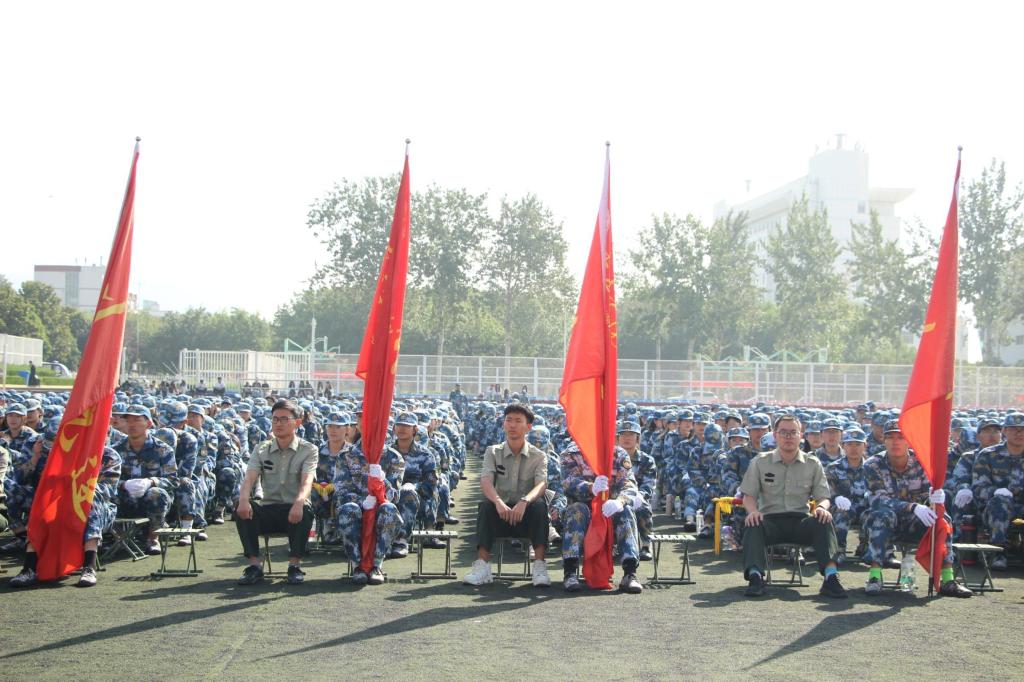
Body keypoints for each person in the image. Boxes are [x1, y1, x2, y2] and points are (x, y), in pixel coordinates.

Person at [738, 414, 847, 598]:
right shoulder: (760, 462)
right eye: (783, 432)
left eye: (793, 432)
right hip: (770, 521)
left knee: (824, 520)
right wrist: (753, 511)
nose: (788, 437)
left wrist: (821, 508)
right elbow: (748, 496)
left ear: (800, 435)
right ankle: (755, 577)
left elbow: (823, 497)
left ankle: (831, 577)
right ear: (775, 435)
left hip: (800, 522)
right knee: (752, 522)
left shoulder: (812, 463)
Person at [861, 420, 972, 597]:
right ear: (884, 440)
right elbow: (879, 500)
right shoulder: (873, 465)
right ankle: (874, 577)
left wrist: (935, 497)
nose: (895, 442)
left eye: (900, 437)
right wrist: (912, 507)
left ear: (909, 441)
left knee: (943, 519)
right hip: (885, 522)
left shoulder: (921, 462)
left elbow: (928, 492)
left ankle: (948, 580)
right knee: (882, 514)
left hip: (916, 521)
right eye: (890, 437)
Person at [463, 403, 550, 587]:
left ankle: (539, 566)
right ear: (503, 424)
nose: (512, 425)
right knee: (485, 505)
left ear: (528, 427)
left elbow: (541, 484)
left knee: (540, 506)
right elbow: (486, 480)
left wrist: (525, 501)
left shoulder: (539, 456)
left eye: (518, 421)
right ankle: (482, 566)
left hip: (526, 516)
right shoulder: (493, 452)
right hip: (500, 514)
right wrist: (498, 502)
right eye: (509, 420)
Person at [234, 399, 318, 585]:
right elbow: (249, 479)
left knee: (305, 509)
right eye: (275, 419)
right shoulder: (261, 449)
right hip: (269, 509)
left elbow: (307, 482)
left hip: (294, 510)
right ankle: (254, 566)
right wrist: (243, 499)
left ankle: (294, 566)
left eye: (284, 419)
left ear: (297, 422)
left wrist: (299, 503)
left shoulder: (308, 450)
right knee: (242, 507)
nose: (278, 424)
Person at [560, 441, 644, 594]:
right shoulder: (571, 454)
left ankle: (630, 573)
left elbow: (629, 484)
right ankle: (570, 573)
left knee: (625, 510)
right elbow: (567, 483)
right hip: (584, 511)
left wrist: (620, 501)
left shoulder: (618, 454)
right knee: (576, 510)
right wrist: (590, 487)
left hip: (610, 509)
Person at [967, 412, 1024, 571]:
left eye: (1022, 429)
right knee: (1000, 502)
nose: (1019, 433)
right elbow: (978, 488)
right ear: (1004, 431)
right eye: (1014, 429)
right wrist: (996, 491)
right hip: (994, 508)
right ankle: (998, 553)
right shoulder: (988, 455)